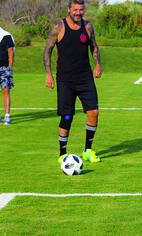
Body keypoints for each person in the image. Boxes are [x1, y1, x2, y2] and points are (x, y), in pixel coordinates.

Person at [43, 0, 102, 162]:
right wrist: (48, 74)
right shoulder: (59, 27)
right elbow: (47, 50)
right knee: (67, 116)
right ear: (69, 9)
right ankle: (62, 153)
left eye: (81, 10)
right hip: (65, 80)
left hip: (85, 78)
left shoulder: (88, 26)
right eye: (75, 9)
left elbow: (94, 47)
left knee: (94, 112)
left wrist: (98, 64)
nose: (78, 13)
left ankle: (88, 150)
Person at [0, 15, 14, 125]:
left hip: (4, 67)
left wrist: (10, 67)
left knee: (5, 90)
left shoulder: (6, 36)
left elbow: (11, 52)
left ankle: (7, 116)